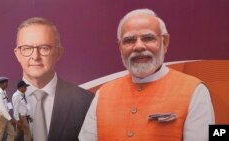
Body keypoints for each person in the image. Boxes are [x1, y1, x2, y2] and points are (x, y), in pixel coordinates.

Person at [79, 9, 215, 141]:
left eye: (148, 38)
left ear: (165, 42)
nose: (138, 46)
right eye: (129, 40)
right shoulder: (103, 94)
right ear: (120, 47)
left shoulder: (194, 91)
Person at [13, 17, 94, 141]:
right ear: (17, 54)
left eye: (44, 48)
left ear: (59, 53)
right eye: (27, 48)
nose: (35, 56)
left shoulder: (86, 102)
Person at [0, 76, 16, 141]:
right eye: (5, 83)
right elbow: (2, 108)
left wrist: (9, 116)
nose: (7, 84)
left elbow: (6, 104)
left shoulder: (4, 92)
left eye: (6, 82)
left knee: (12, 133)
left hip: (5, 116)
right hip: (0, 117)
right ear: (0, 84)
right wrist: (10, 119)